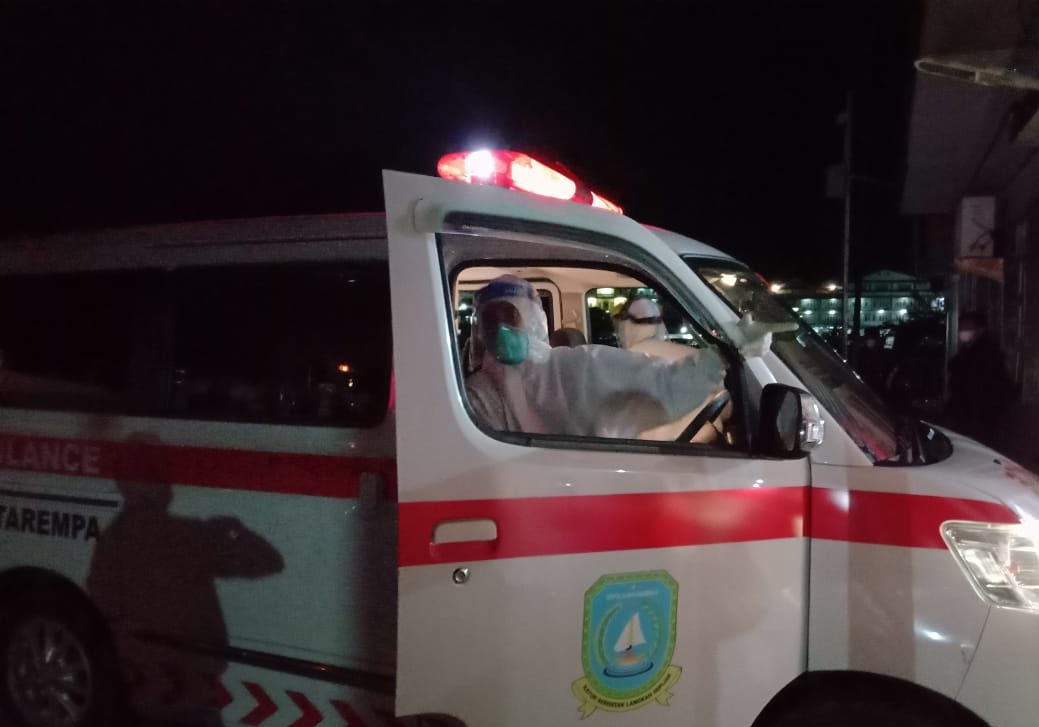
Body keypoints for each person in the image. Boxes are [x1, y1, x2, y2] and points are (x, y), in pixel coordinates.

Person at [465, 276, 727, 438]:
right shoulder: (583, 366)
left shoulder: (471, 394)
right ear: (538, 319)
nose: (501, 328)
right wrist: (725, 355)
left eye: (507, 316)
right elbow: (670, 386)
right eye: (494, 320)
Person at [612, 297, 731, 441]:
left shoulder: (621, 364)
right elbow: (726, 409)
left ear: (626, 326)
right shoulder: (696, 356)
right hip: (707, 444)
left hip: (655, 450)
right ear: (660, 323)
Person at [947, 311, 1013, 445]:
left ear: (980, 330)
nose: (963, 331)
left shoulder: (988, 355)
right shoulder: (966, 352)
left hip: (979, 417)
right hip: (964, 415)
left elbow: (985, 388)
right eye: (962, 327)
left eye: (968, 327)